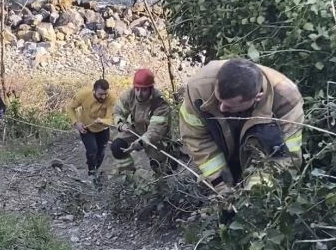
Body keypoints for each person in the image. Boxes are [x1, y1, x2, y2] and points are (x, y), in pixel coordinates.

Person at [178, 58, 304, 197]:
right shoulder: (199, 88)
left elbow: (287, 158)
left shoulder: (286, 100)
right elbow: (197, 139)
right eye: (219, 100)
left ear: (257, 97)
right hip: (222, 148)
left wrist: (254, 192)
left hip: (259, 156)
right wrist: (222, 185)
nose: (221, 108)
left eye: (230, 106)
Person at [110, 68, 174, 179]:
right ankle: (129, 175)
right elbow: (117, 111)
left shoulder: (159, 103)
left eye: (143, 90)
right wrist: (120, 124)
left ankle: (164, 179)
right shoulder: (129, 95)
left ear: (151, 89)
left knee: (159, 166)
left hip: (156, 137)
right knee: (117, 146)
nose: (139, 94)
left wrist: (139, 143)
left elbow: (155, 131)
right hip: (136, 129)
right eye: (137, 89)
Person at [66, 78, 116, 183]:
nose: (103, 97)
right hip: (86, 127)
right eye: (100, 94)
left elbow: (111, 118)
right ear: (94, 91)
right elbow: (70, 108)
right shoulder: (83, 94)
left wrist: (103, 121)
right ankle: (91, 173)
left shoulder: (111, 98)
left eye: (105, 94)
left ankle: (95, 169)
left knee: (101, 153)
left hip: (103, 128)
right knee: (92, 150)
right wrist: (76, 123)